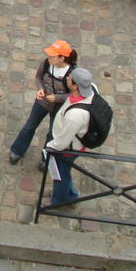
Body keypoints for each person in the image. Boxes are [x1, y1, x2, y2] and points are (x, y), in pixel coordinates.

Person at [8, 40, 78, 167]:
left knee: (53, 133)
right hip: (42, 102)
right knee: (30, 126)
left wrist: (57, 98)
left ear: (62, 58)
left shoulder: (72, 74)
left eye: (53, 55)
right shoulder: (46, 64)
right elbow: (38, 77)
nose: (49, 57)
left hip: (59, 108)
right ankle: (17, 150)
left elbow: (73, 94)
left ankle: (46, 158)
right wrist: (40, 89)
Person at [44, 67, 96, 206]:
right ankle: (69, 194)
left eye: (69, 78)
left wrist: (49, 147)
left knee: (61, 175)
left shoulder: (75, 116)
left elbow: (62, 143)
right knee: (65, 172)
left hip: (68, 149)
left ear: (74, 86)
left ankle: (59, 201)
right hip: (74, 142)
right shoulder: (93, 90)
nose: (66, 78)